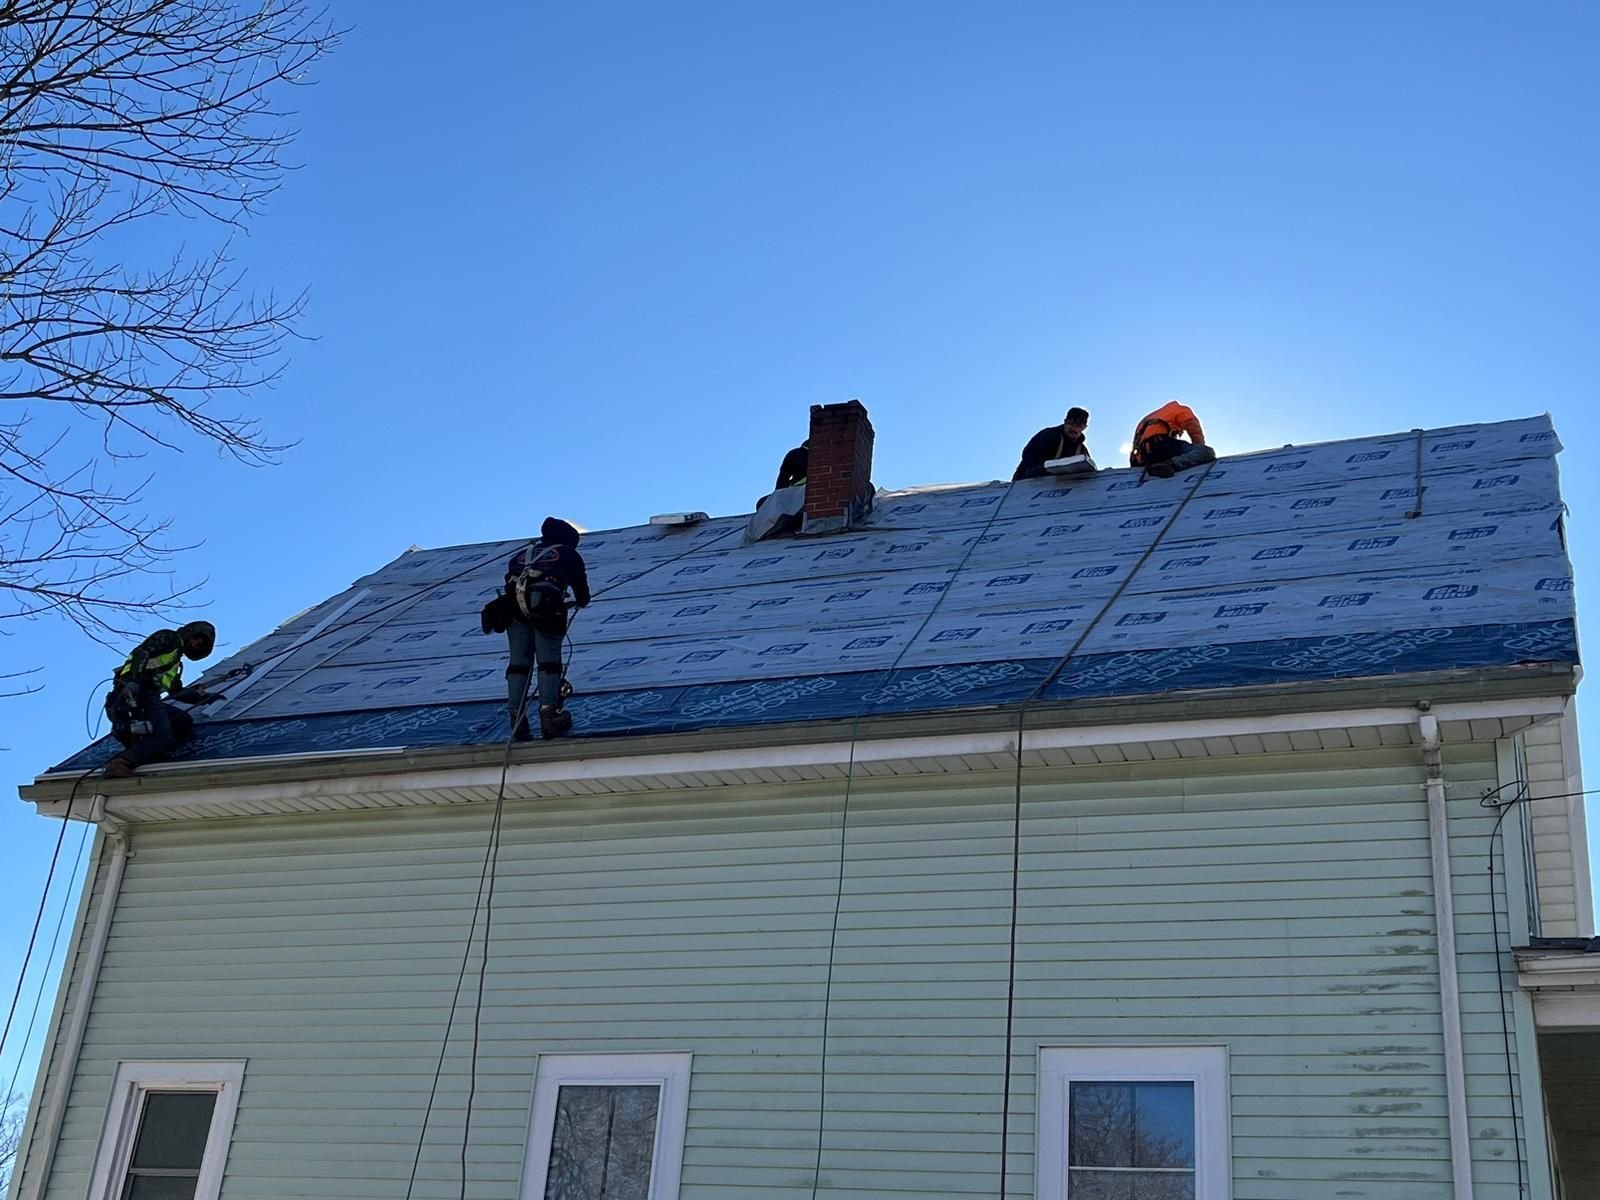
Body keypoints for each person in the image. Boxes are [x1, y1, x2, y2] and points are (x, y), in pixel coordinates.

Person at [483, 517, 591, 740]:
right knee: (548, 662)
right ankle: (549, 716)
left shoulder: (522, 555)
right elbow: (582, 592)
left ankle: (516, 718)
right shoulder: (569, 554)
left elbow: (511, 582)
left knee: (518, 665)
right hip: (547, 607)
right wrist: (579, 601)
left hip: (513, 608)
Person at [102, 621, 219, 777]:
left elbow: (176, 691)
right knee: (163, 738)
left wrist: (205, 698)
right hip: (140, 692)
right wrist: (133, 684)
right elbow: (141, 655)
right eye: (197, 638)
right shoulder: (170, 638)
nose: (197, 644)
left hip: (147, 696)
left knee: (183, 722)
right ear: (190, 632)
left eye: (201, 644)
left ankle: (145, 754)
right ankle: (121, 763)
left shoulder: (175, 663)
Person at [1128, 401, 1216, 478]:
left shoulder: (1150, 418)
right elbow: (1192, 426)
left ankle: (1158, 466)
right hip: (1160, 444)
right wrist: (1198, 447)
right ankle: (1170, 464)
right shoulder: (1178, 409)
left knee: (1167, 450)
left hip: (1144, 457)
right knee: (1207, 452)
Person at [1013, 408, 1091, 480]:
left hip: (1061, 487)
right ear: (1065, 422)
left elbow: (1089, 471)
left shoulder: (1082, 451)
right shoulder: (1049, 435)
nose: (1074, 428)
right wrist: (1036, 470)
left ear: (1084, 428)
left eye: (1079, 425)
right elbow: (1028, 453)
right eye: (1071, 423)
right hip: (1028, 481)